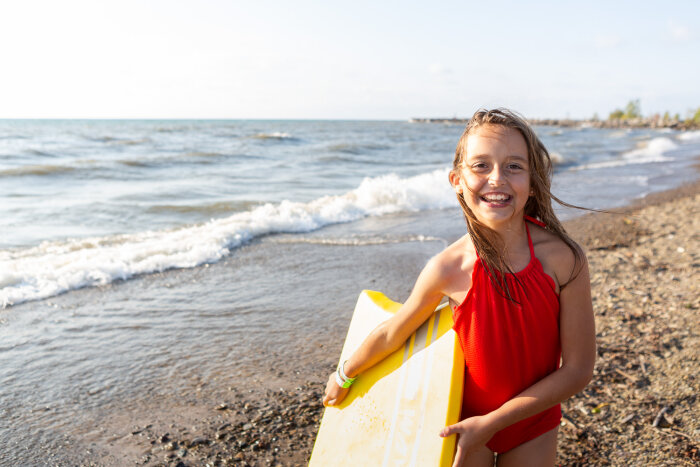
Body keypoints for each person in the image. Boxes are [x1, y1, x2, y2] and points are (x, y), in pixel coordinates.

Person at [322, 108, 596, 467]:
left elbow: (578, 370)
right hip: (461, 422)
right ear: (456, 180)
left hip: (533, 421)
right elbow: (394, 332)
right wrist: (345, 373)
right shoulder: (447, 268)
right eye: (480, 166)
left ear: (532, 182)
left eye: (514, 166)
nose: (496, 178)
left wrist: (494, 422)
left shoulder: (564, 259)